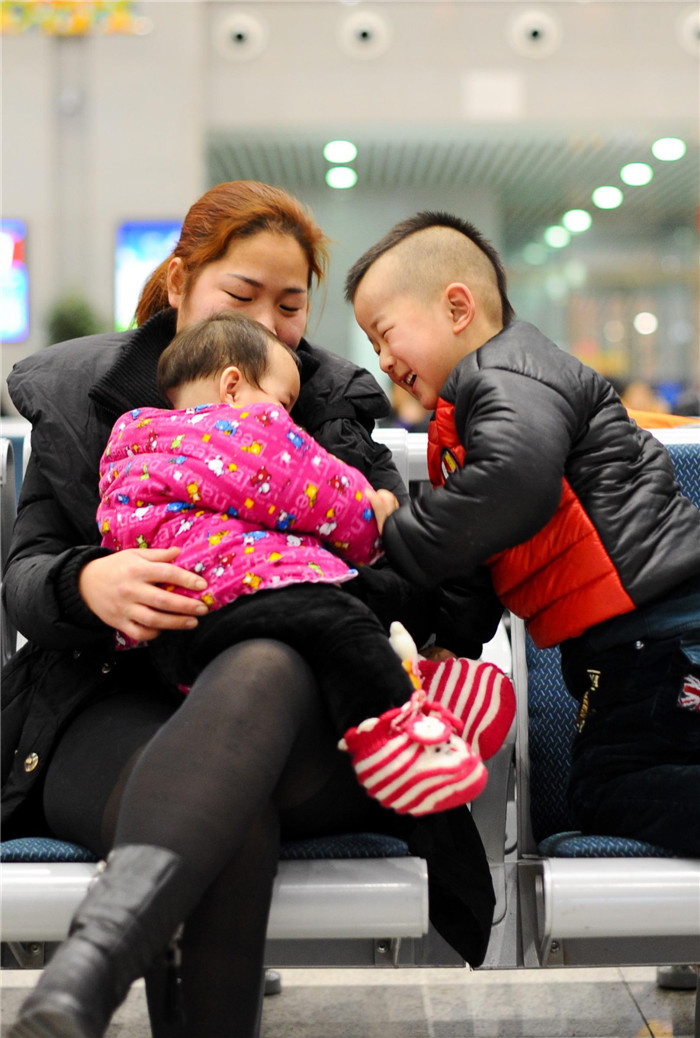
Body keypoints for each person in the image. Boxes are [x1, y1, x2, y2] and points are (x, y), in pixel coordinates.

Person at [3, 184, 497, 1038]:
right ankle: (92, 974)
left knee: (261, 673)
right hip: (109, 702)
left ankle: (88, 974)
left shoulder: (333, 409)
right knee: (226, 809)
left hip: (306, 717)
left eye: (292, 302)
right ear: (180, 282)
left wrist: (396, 532)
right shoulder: (83, 396)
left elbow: (422, 593)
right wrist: (88, 583)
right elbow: (25, 572)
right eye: (243, 295)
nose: (270, 321)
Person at [346, 210, 700, 859]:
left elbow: (514, 483)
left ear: (458, 307)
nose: (384, 359)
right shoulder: (476, 407)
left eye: (387, 333)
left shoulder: (507, 371)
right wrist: (451, 642)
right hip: (648, 645)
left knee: (609, 786)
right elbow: (485, 552)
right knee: (608, 779)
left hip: (660, 642)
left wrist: (393, 537)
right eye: (371, 344)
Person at [99, 309, 492, 816]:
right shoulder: (248, 428)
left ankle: (415, 683)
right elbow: (312, 489)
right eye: (284, 402)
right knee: (342, 622)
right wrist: (376, 523)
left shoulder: (131, 439)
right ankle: (401, 735)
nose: (286, 417)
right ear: (233, 386)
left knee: (326, 643)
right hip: (246, 594)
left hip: (171, 637)